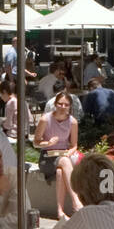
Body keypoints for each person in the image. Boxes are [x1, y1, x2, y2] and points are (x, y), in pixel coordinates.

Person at [33, 91, 83, 220]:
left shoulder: (72, 122)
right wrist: (47, 143)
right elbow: (35, 142)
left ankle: (60, 211)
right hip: (47, 158)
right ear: (55, 104)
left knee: (61, 172)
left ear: (70, 106)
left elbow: (74, 145)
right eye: (60, 104)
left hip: (62, 156)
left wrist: (68, 153)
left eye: (66, 105)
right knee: (65, 162)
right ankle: (76, 201)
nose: (63, 107)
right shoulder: (45, 119)